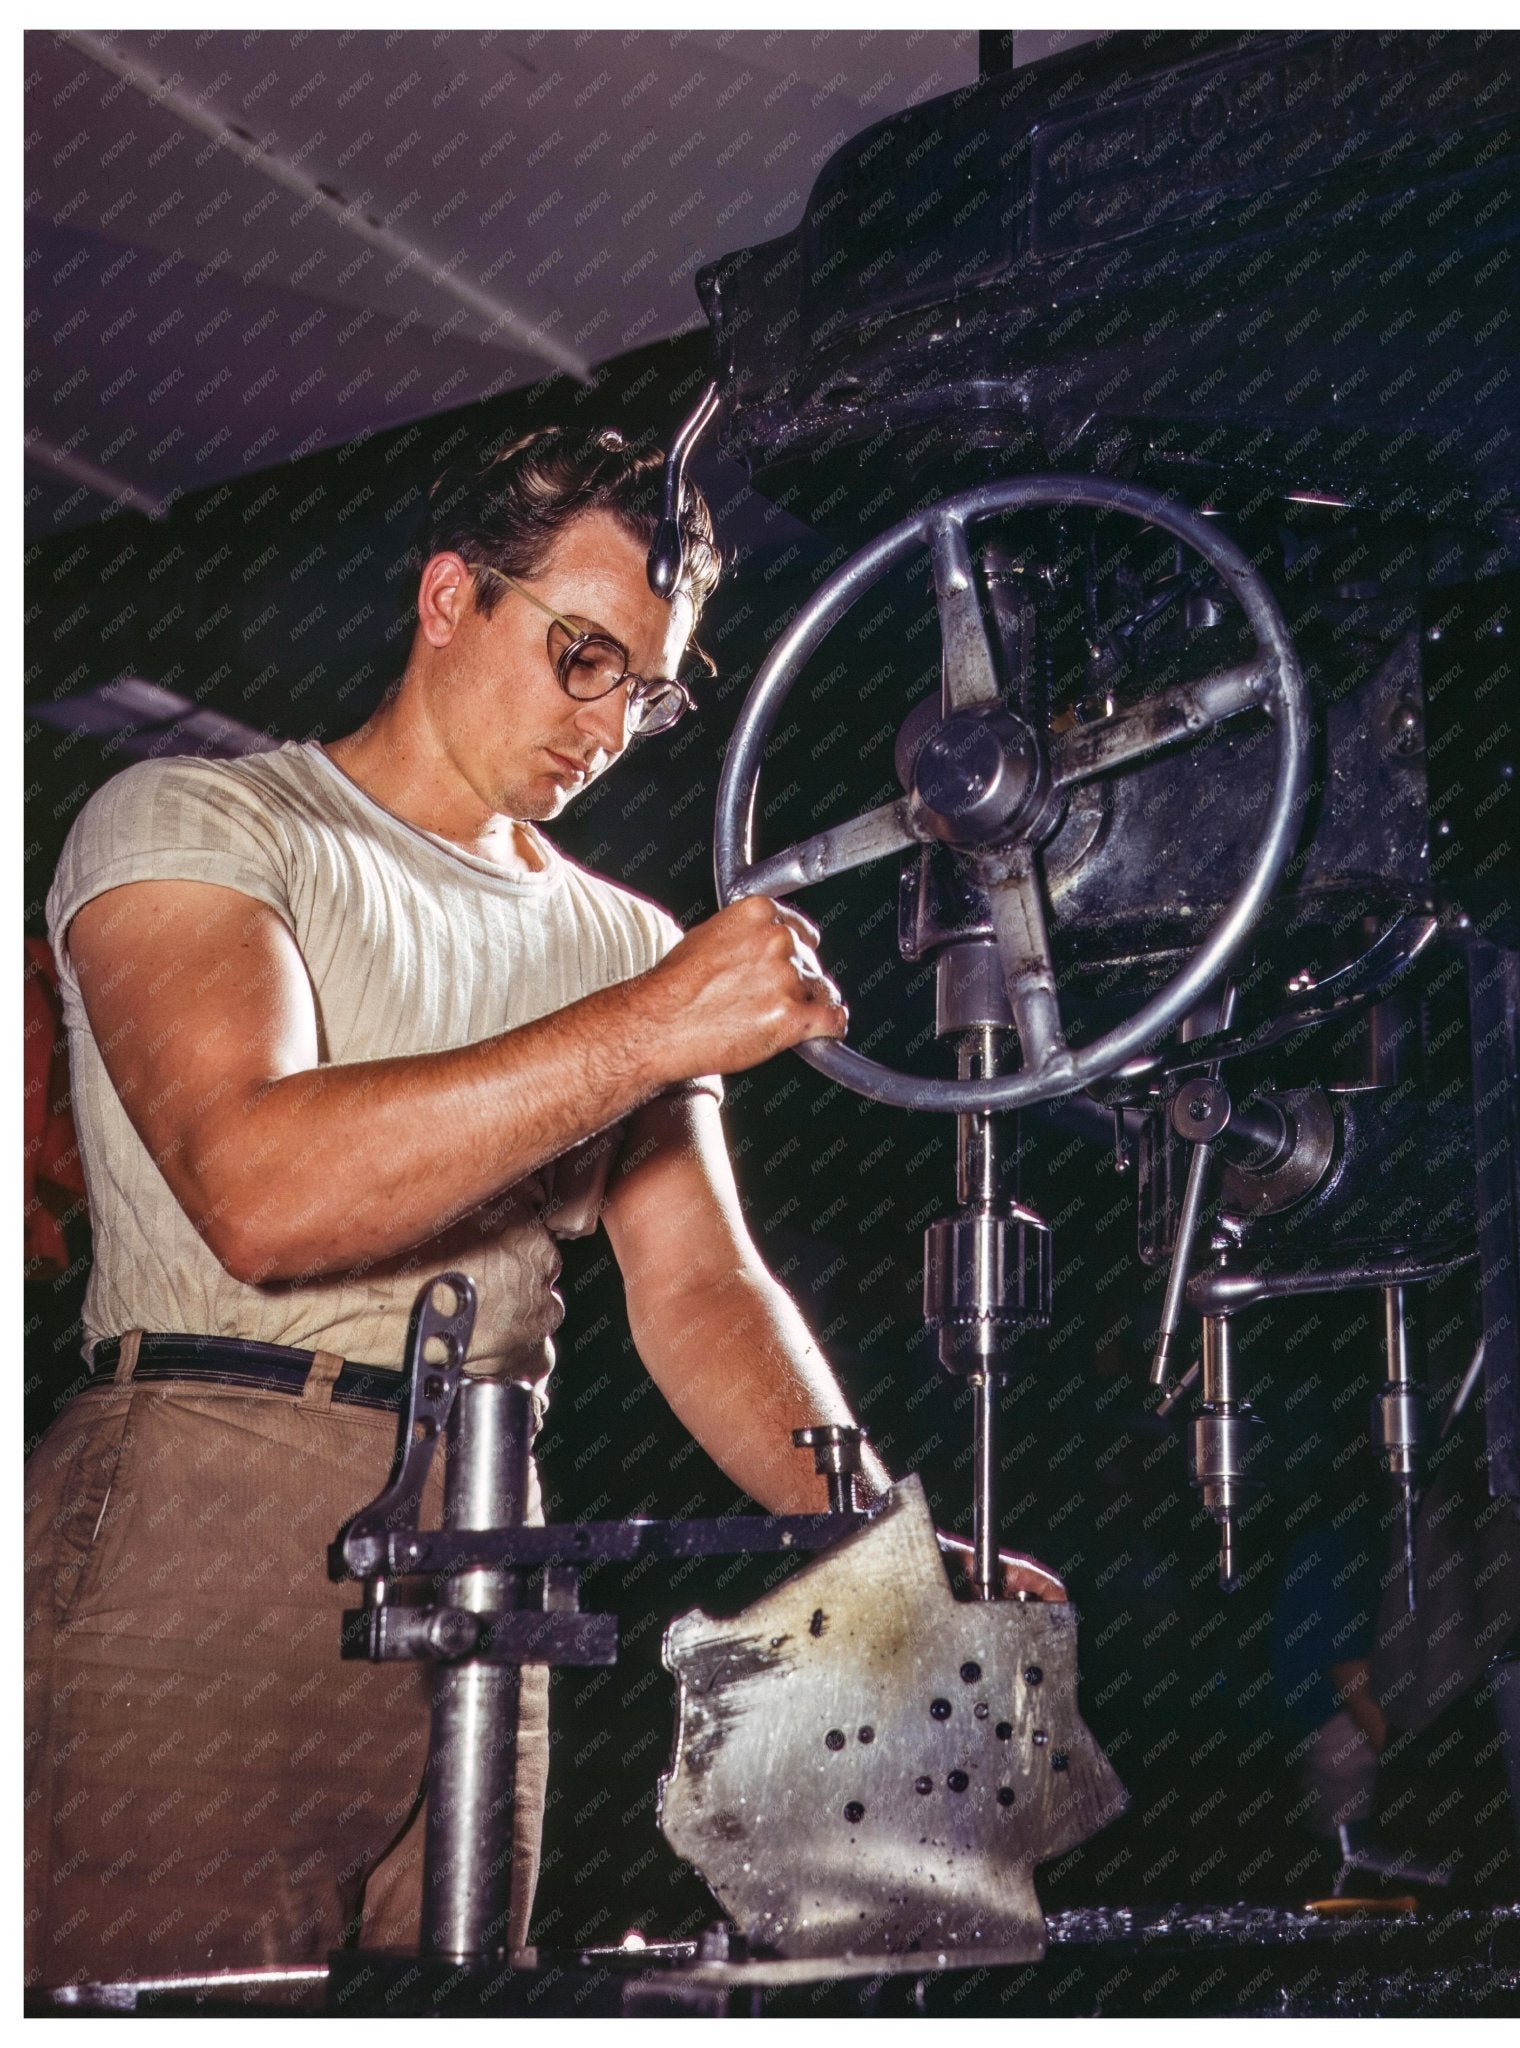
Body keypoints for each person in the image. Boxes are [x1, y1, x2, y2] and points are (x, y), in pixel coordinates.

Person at [25, 425, 1057, 1994]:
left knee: (466, 2005)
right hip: (206, 1499)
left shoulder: (618, 938)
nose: (609, 724)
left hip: (495, 1536)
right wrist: (651, 1026)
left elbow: (699, 1287)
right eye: (581, 655)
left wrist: (870, 1542)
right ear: (451, 596)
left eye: (648, 692)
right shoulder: (200, 822)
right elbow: (259, 1190)